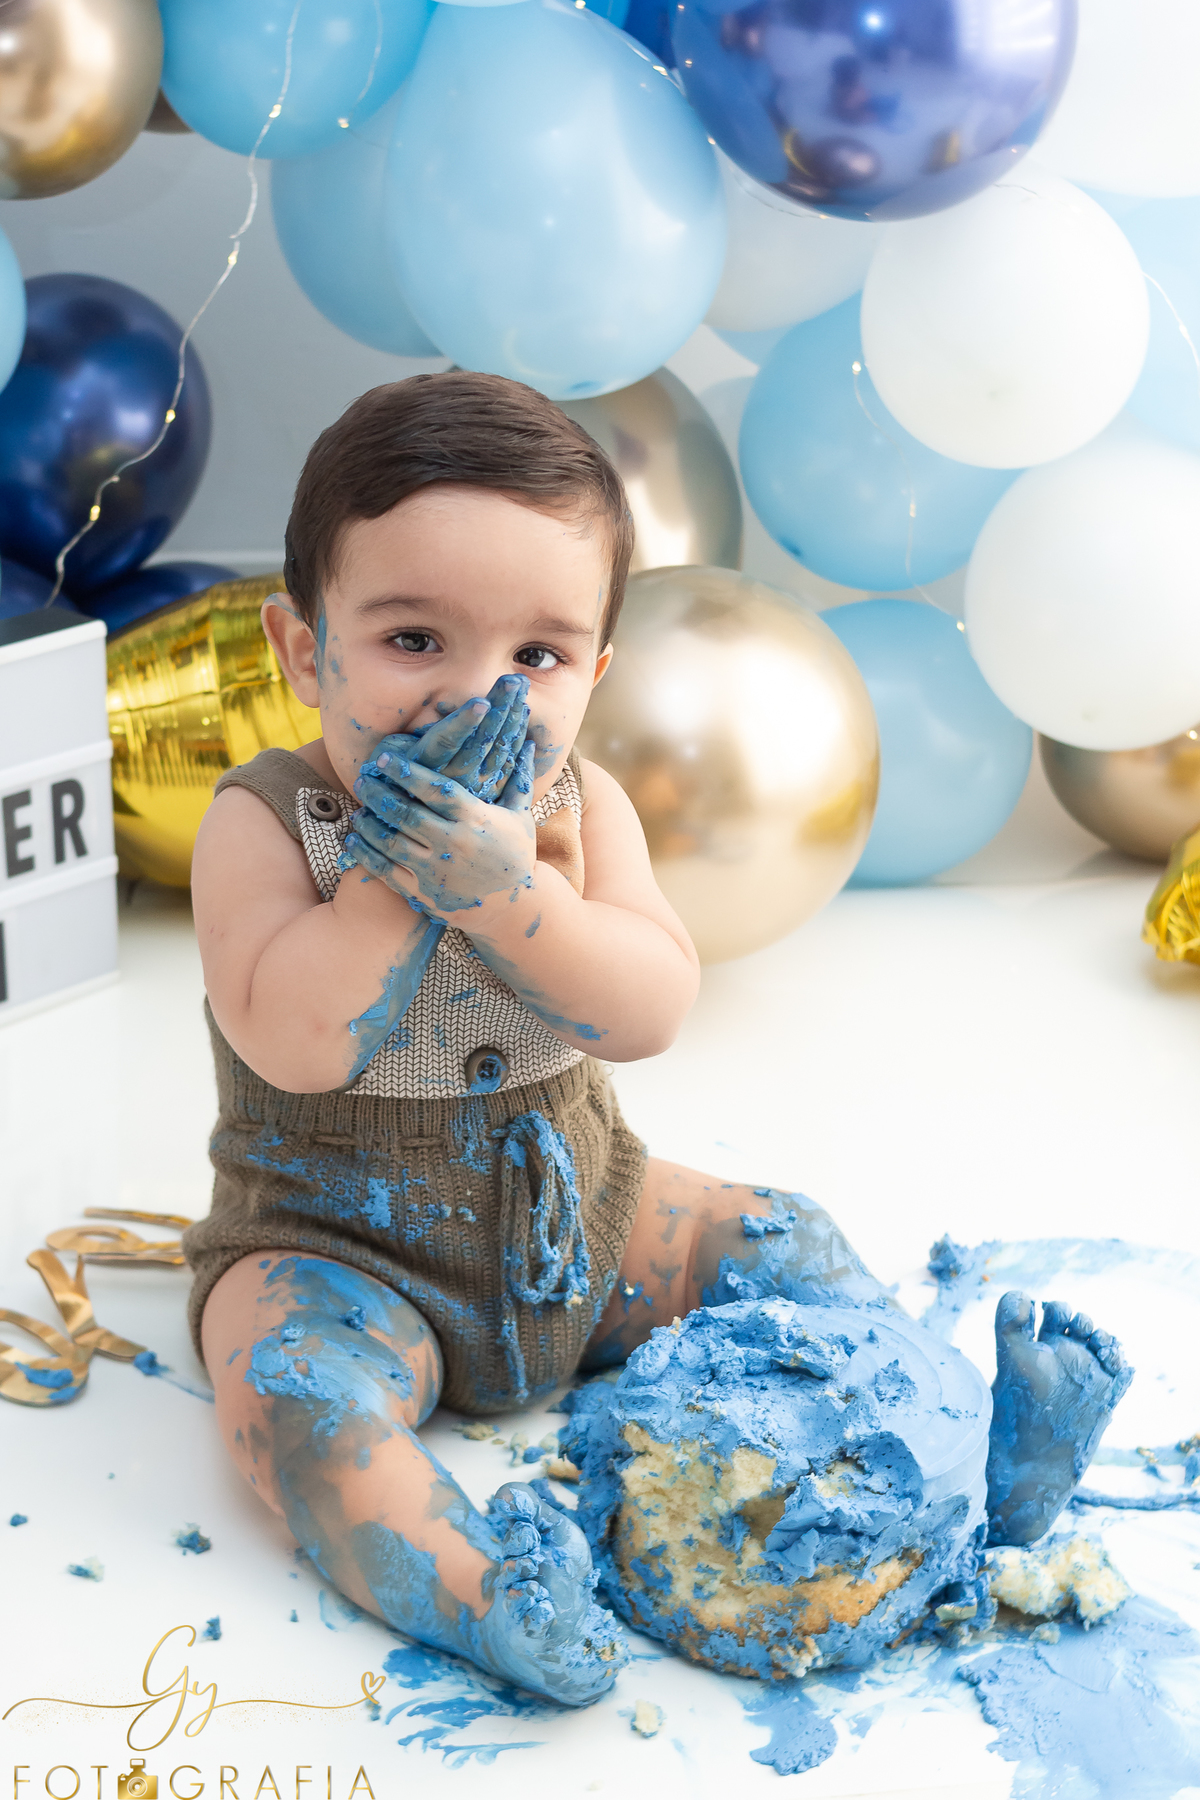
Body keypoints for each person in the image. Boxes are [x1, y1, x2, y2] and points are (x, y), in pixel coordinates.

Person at [186, 371, 1131, 1707]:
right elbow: (296, 1041)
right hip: (337, 1252)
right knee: (291, 1409)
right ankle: (488, 1599)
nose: (478, 700)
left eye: (537, 657)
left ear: (596, 673)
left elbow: (647, 1007)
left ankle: (978, 1457)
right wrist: (409, 879)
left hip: (582, 1224)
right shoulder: (265, 822)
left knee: (785, 1238)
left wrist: (516, 897)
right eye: (413, 642)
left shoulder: (589, 804)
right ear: (303, 651)